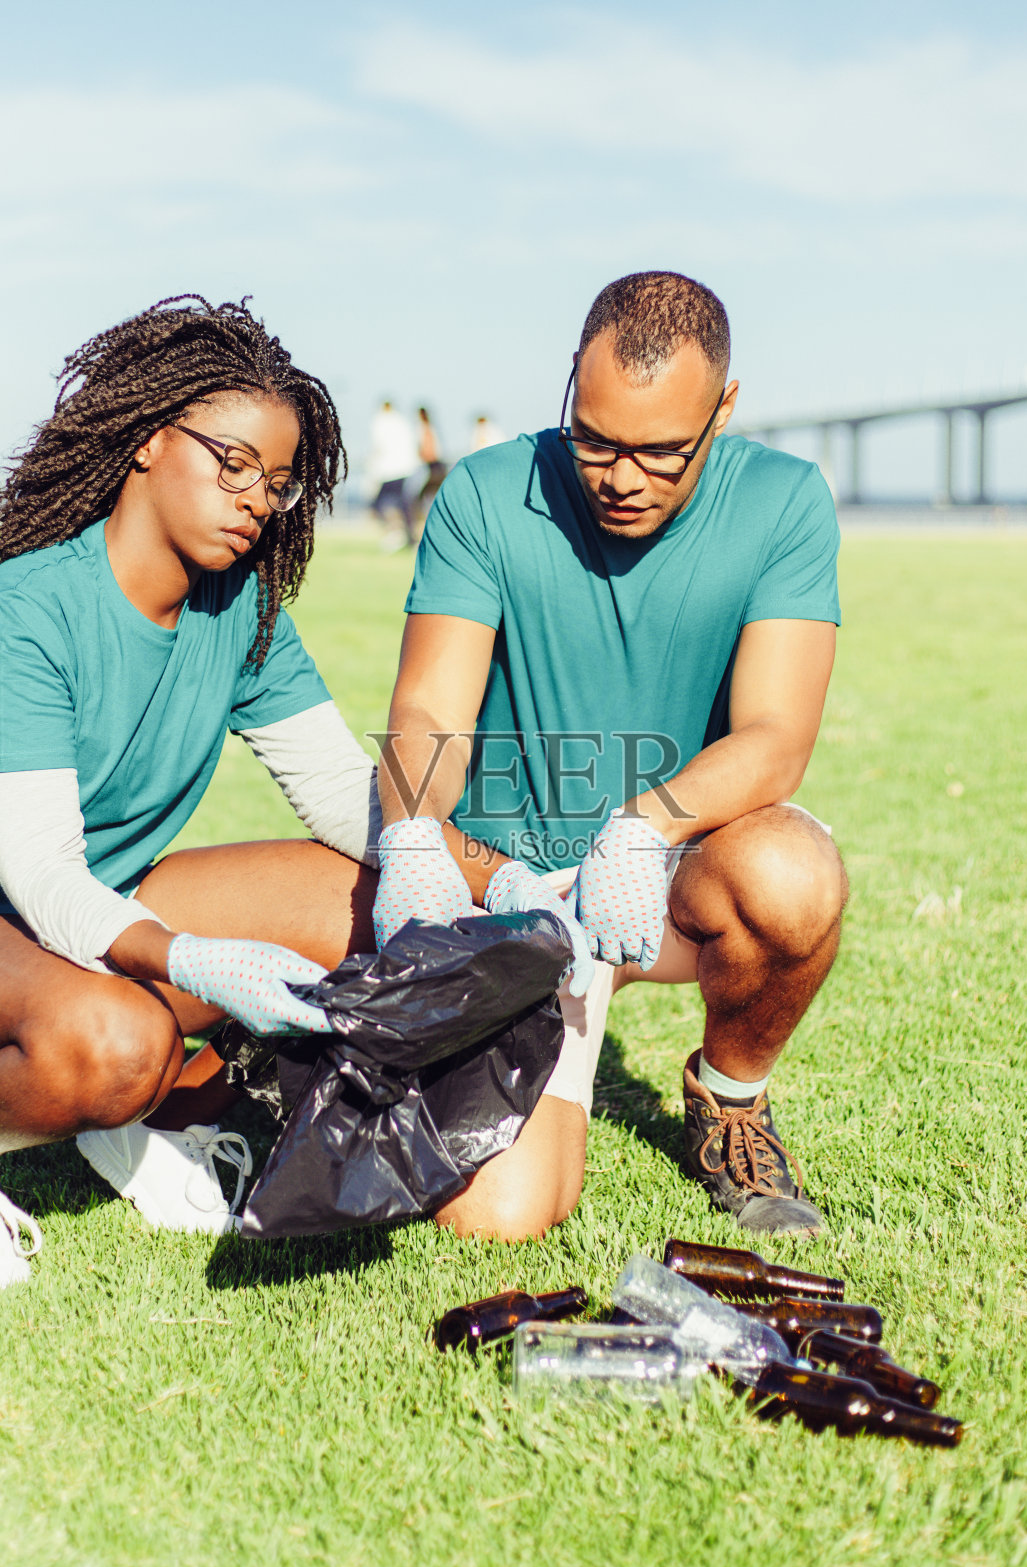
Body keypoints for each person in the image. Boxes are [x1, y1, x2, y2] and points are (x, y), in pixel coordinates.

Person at [0, 296, 536, 1287]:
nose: (254, 499)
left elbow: (343, 795)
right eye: (231, 462)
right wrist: (195, 958)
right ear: (148, 441)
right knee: (117, 1044)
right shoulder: (28, 607)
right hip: (23, 910)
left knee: (372, 898)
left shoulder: (241, 605)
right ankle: (130, 1083)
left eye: (278, 484)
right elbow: (36, 873)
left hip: (78, 912)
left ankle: (162, 1112)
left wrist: (502, 878)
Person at [374, 271, 848, 1243]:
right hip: (512, 894)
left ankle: (729, 1101)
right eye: (594, 440)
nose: (620, 477)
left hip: (659, 886)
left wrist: (639, 828)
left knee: (792, 876)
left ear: (722, 411)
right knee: (496, 1215)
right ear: (568, 388)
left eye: (661, 452)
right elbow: (428, 704)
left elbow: (775, 737)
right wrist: (417, 834)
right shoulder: (486, 491)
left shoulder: (783, 499)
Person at [367, 399, 417, 548]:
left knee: (378, 505)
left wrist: (372, 469)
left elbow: (378, 446)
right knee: (403, 504)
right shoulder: (402, 421)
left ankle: (395, 532)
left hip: (388, 470)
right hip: (405, 469)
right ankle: (408, 536)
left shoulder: (380, 421)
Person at [414, 405, 448, 527]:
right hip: (435, 466)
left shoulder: (425, 428)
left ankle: (424, 523)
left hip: (433, 467)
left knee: (420, 498)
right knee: (430, 498)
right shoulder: (431, 427)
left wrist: (421, 455)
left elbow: (429, 450)